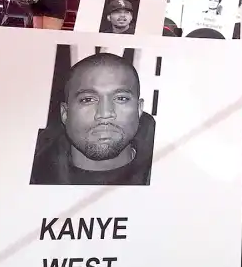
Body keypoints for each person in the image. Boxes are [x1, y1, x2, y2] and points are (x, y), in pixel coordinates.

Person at [30, 52, 152, 186]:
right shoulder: (23, 174)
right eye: (88, 99)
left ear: (139, 109)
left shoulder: (171, 174)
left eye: (121, 98)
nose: (105, 113)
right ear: (65, 113)